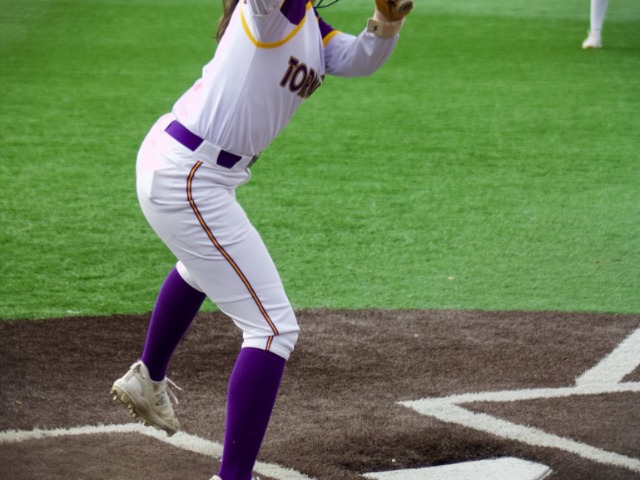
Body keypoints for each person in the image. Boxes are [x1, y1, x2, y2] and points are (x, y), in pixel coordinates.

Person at [110, 0, 413, 478]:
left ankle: (148, 377)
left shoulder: (308, 22)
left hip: (193, 169)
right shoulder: (269, 11)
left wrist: (387, 21)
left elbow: (359, 58)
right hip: (188, 175)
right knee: (273, 329)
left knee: (203, 267)